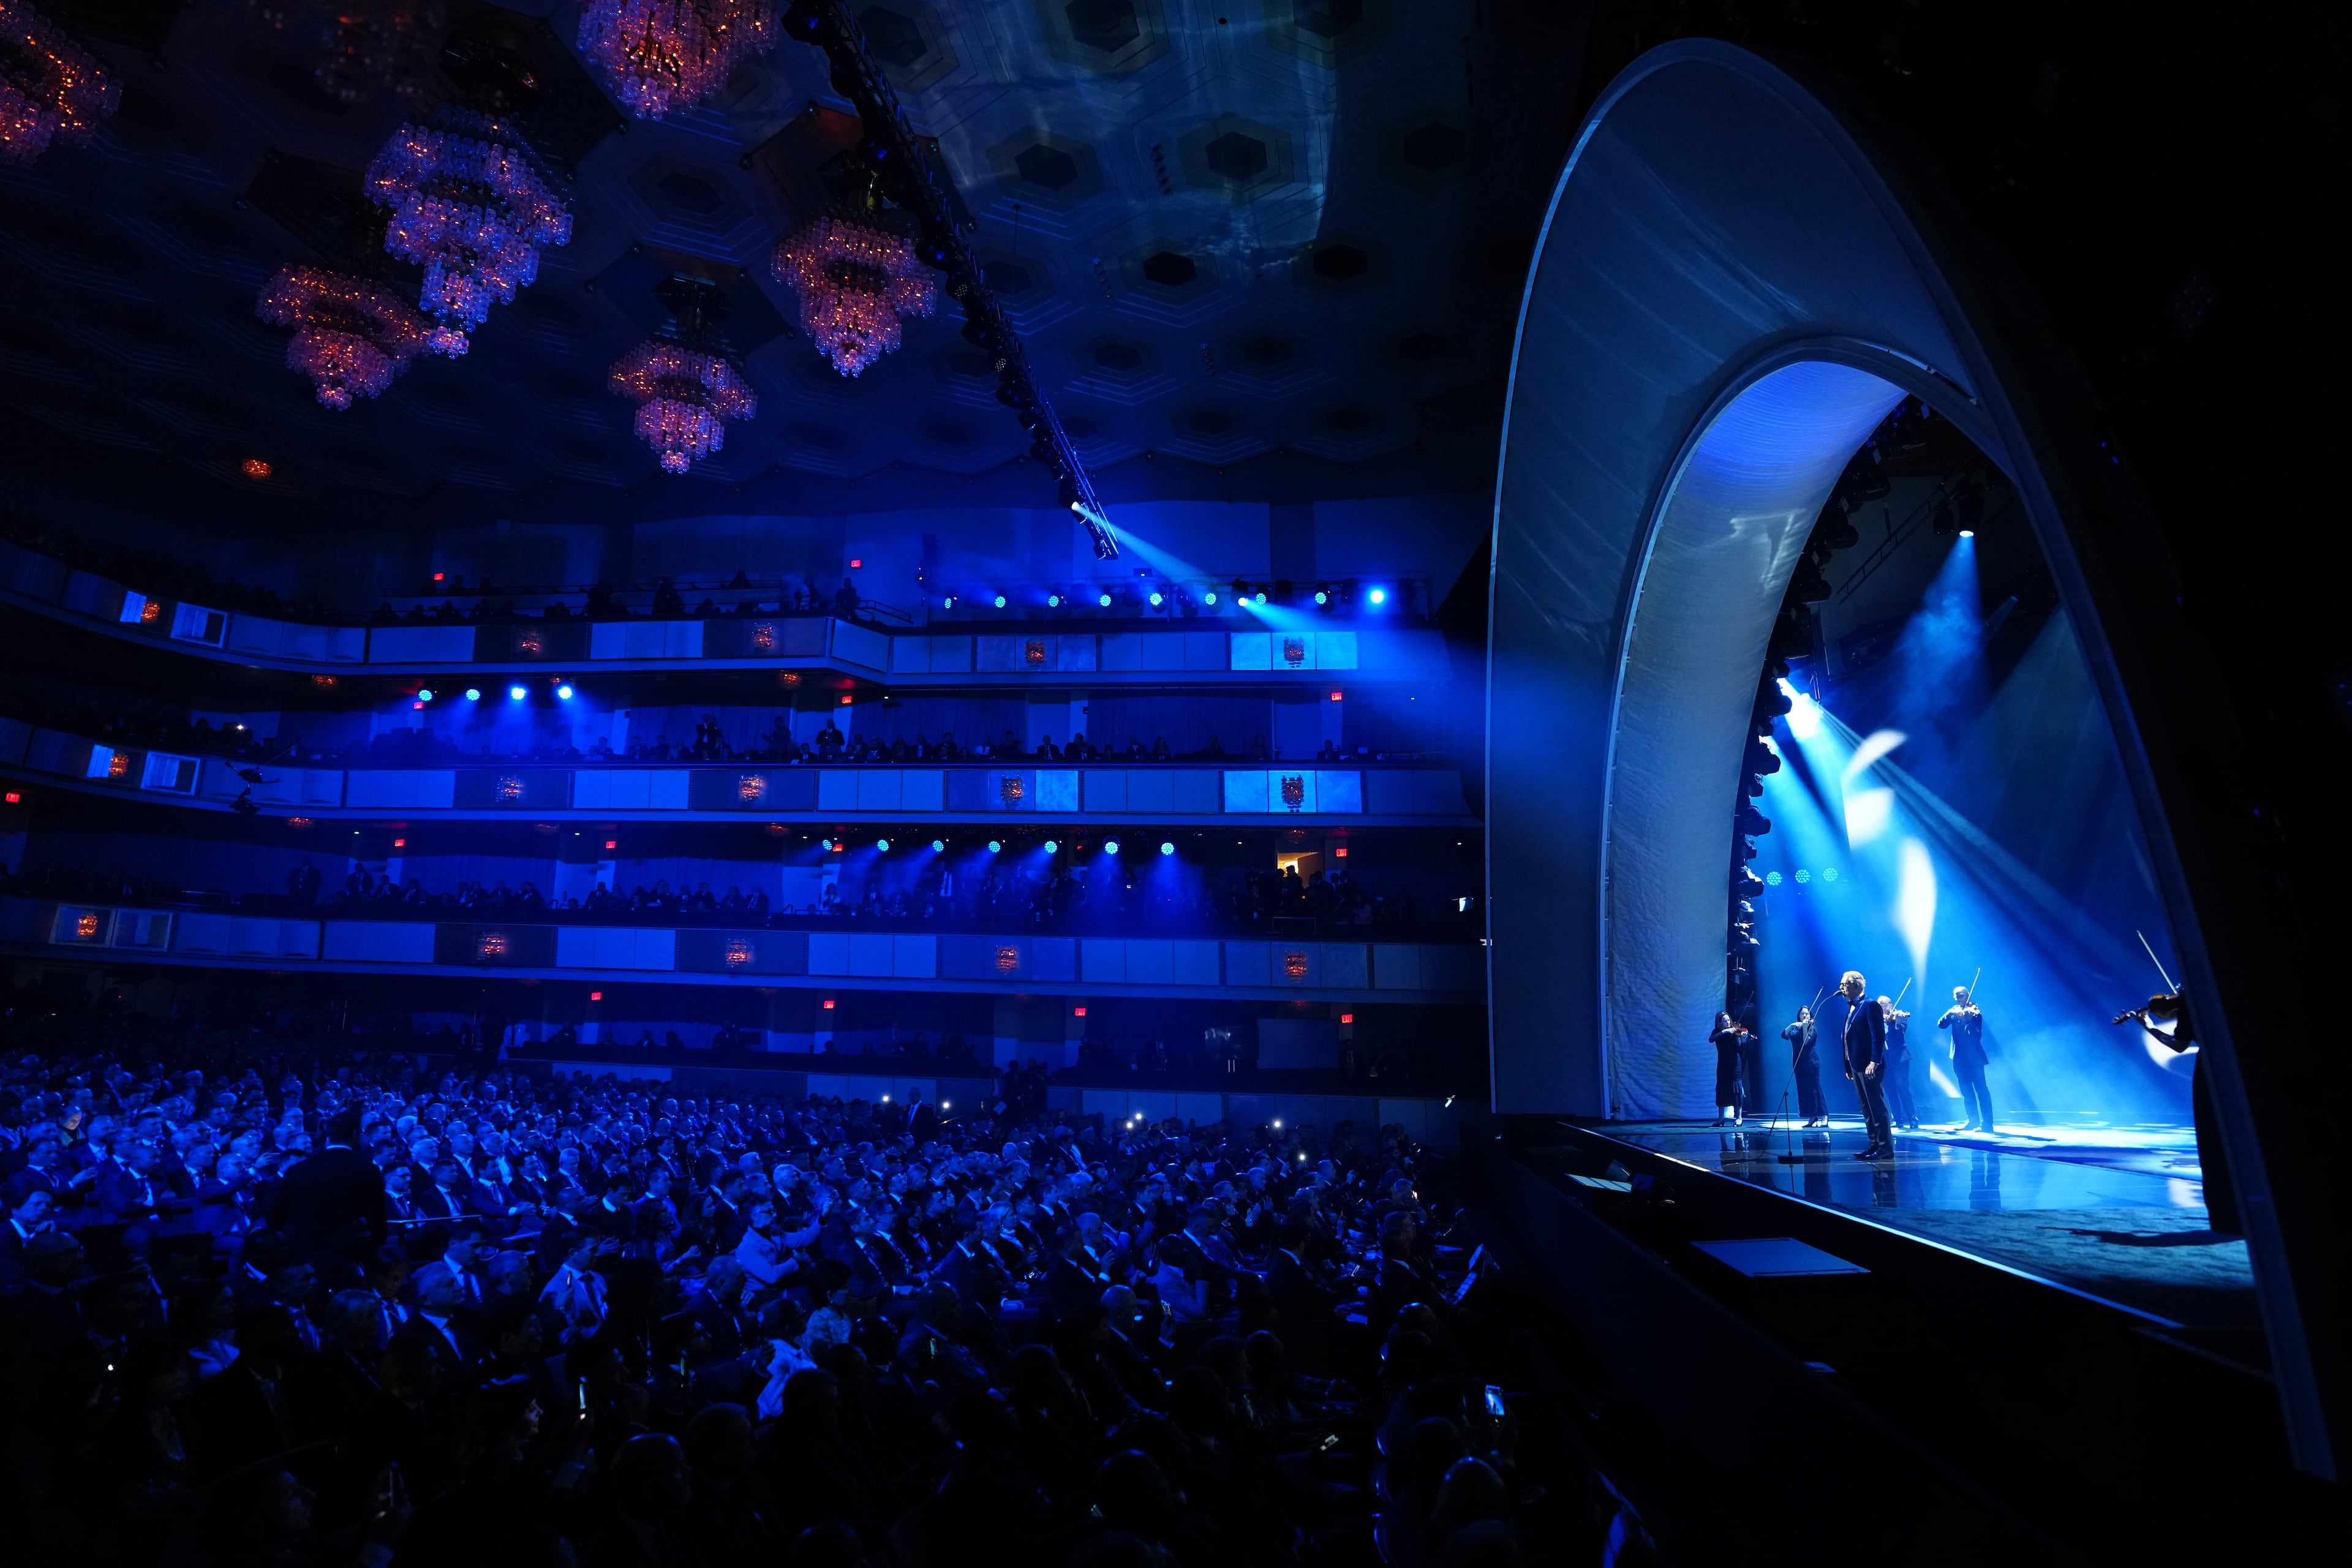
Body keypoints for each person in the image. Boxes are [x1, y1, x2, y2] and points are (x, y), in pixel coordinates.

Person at [2116, 990, 2239, 1234]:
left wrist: (2149, 1025)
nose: (2174, 993)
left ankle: (2228, 1215)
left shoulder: (2190, 1006)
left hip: (2213, 1066)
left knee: (2213, 1137)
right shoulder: (2198, 997)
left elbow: (2178, 1045)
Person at [1831, 970, 1893, 1159]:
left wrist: (1875, 1060)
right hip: (1857, 1065)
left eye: (1845, 985)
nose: (1841, 989)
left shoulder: (1870, 1005)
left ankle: (1885, 1149)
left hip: (1869, 1065)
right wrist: (1848, 1065)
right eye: (1841, 985)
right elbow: (1848, 1039)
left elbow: (1878, 1035)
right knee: (1866, 1108)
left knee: (1877, 1107)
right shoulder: (1852, 1007)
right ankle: (1874, 1145)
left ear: (1857, 986)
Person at [1938, 986, 1993, 1131]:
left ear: (1967, 995)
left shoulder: (1975, 1014)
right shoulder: (1954, 1012)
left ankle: (1988, 1123)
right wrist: (1950, 1013)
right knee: (1966, 1091)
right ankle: (1972, 1120)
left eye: (1961, 996)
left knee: (1981, 1090)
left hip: (1975, 1058)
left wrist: (1968, 1021)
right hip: (1958, 1058)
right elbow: (1941, 1025)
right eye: (1956, 996)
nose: (1959, 999)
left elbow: (1976, 1036)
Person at [1879, 995, 1918, 1129]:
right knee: (1890, 1090)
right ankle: (1897, 1119)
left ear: (1890, 1006)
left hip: (1900, 1059)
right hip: (1885, 1060)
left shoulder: (1900, 1018)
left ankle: (1913, 1119)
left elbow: (1900, 1033)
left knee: (1903, 1088)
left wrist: (1896, 1023)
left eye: (1883, 1005)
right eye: (1879, 1005)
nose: (1881, 1007)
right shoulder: (1877, 1021)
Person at [1782, 1006, 1825, 1126]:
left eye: (1807, 1014)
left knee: (1815, 1088)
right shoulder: (1795, 1028)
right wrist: (1792, 1025)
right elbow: (1784, 1035)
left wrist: (1806, 1027)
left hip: (1811, 1062)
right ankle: (1812, 1117)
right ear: (1799, 1016)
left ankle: (1823, 1116)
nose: (1805, 1016)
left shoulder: (1812, 1028)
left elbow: (1807, 1042)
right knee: (1804, 1089)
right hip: (1798, 1062)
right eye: (1803, 1014)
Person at [1708, 1012, 1749, 1126]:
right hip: (1722, 1065)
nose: (1728, 1023)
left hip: (1735, 1064)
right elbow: (1711, 1039)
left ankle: (1739, 1118)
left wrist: (1744, 1040)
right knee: (1721, 1090)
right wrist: (1724, 1032)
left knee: (1737, 1090)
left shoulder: (1735, 1033)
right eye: (1725, 1021)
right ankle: (1721, 1118)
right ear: (1720, 1022)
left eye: (1729, 1020)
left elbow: (1739, 1048)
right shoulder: (1717, 1032)